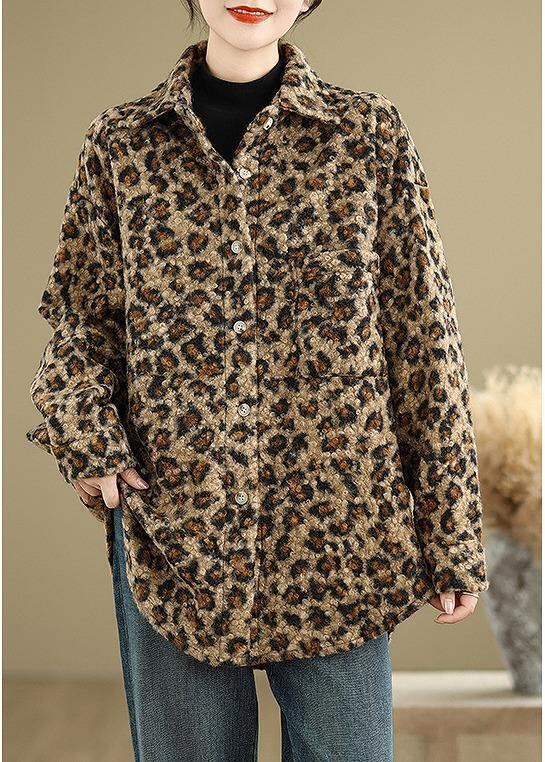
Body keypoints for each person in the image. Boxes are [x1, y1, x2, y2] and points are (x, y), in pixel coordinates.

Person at [25, 1, 490, 759]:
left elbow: (423, 337)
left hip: (342, 532)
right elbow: (81, 318)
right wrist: (91, 444)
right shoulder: (121, 144)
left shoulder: (367, 135)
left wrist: (452, 531)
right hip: (176, 531)